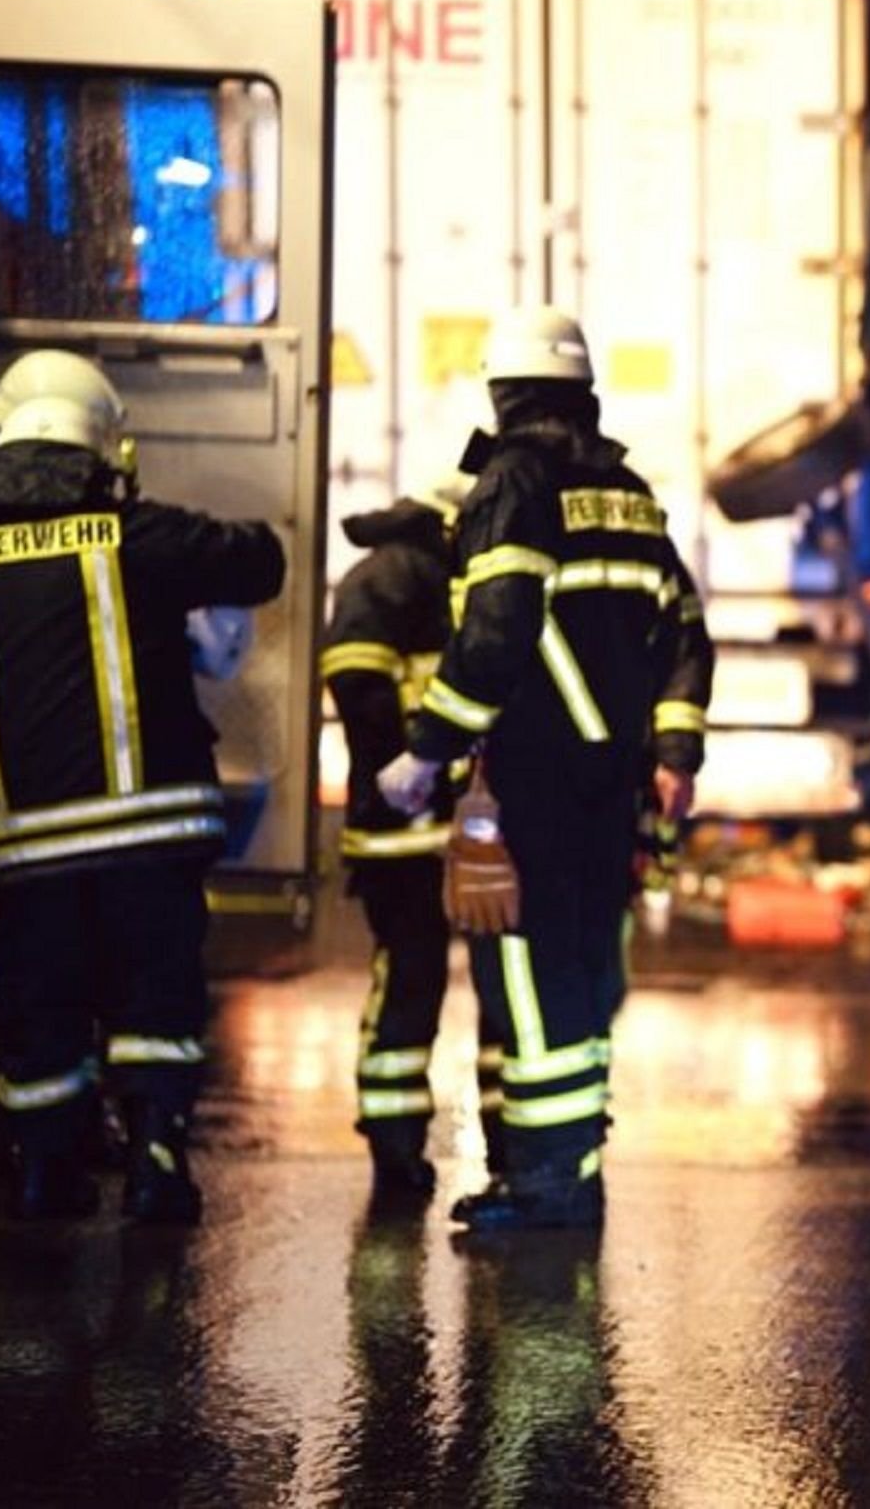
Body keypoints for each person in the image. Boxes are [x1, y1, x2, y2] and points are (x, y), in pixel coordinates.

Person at [377, 306, 710, 1232]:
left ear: (503, 391)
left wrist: (426, 750)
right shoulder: (632, 493)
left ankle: (545, 1188)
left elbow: (493, 637)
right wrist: (675, 750)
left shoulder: (511, 485)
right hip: (613, 786)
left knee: (525, 978)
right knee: (586, 971)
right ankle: (576, 1169)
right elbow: (686, 633)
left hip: (530, 777)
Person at [0, 389, 285, 1221]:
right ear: (98, 460)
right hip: (154, 824)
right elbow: (260, 560)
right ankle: (157, 1165)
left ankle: (44, 1174)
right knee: (155, 999)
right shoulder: (140, 537)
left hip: (30, 836)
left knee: (43, 1006)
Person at [322, 477, 509, 1208]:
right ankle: (493, 1147)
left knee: (410, 982)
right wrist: (412, 769)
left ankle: (399, 1151)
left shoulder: (403, 576)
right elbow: (361, 690)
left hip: (422, 827)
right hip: (426, 827)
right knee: (482, 991)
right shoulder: (401, 576)